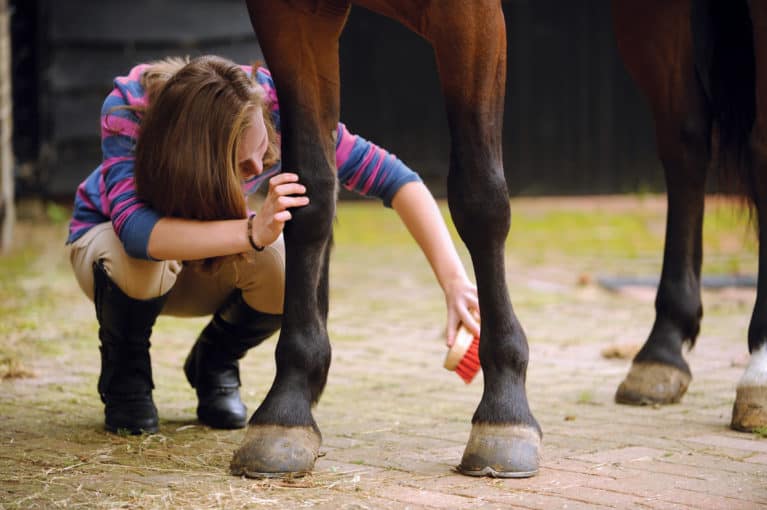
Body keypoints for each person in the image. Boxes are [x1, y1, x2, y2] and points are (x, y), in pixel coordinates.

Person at [67, 55, 480, 435]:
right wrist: (251, 231)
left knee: (290, 272)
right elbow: (137, 232)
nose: (259, 166)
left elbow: (395, 178)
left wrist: (454, 281)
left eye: (261, 150)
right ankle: (126, 377)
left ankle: (213, 363)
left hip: (204, 257)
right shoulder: (132, 108)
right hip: (115, 255)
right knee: (132, 257)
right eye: (241, 164)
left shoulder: (281, 109)